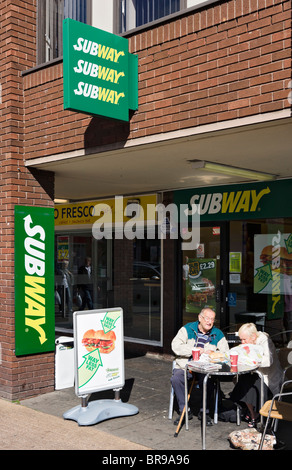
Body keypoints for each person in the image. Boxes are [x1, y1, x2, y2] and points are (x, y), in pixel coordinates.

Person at [171, 307, 229, 426]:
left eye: (212, 319)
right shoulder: (187, 329)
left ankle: (204, 412)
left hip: (206, 367)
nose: (209, 322)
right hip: (186, 365)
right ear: (200, 318)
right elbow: (175, 346)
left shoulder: (218, 334)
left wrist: (212, 354)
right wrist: (194, 350)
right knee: (176, 378)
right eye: (207, 318)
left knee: (207, 380)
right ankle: (184, 411)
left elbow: (225, 354)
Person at [230, 323, 283, 428]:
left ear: (253, 336)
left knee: (248, 383)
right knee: (245, 379)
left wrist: (251, 361)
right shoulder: (248, 342)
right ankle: (253, 412)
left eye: (244, 339)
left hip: (268, 377)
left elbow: (268, 361)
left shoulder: (265, 341)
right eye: (241, 339)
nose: (242, 342)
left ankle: (255, 413)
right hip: (254, 374)